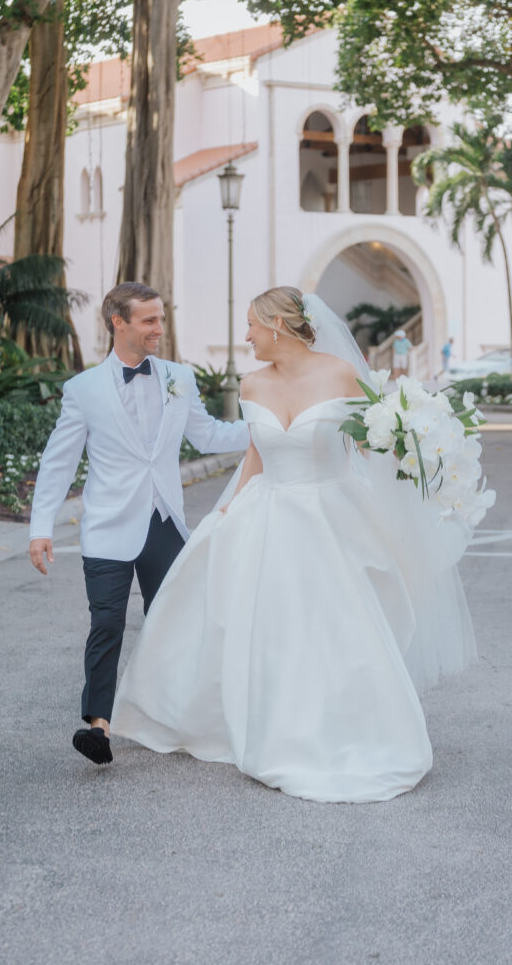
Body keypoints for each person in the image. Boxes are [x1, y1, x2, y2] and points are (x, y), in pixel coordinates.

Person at [111, 287, 480, 803]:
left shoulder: (342, 375)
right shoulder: (252, 383)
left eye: (252, 327)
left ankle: (344, 724)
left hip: (332, 514)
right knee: (263, 625)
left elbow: (373, 445)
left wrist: (415, 455)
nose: (245, 337)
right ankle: (268, 721)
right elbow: (257, 456)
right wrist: (225, 510)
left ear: (278, 325)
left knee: (336, 625)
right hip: (267, 510)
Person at [29, 281, 250, 766]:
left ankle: (179, 717)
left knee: (175, 621)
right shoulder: (83, 390)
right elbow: (59, 462)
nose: (159, 328)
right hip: (108, 526)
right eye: (149, 320)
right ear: (118, 322)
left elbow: (209, 434)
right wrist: (40, 527)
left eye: (161, 318)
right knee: (106, 623)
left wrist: (272, 426)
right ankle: (98, 727)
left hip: (164, 521)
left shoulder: (178, 378)